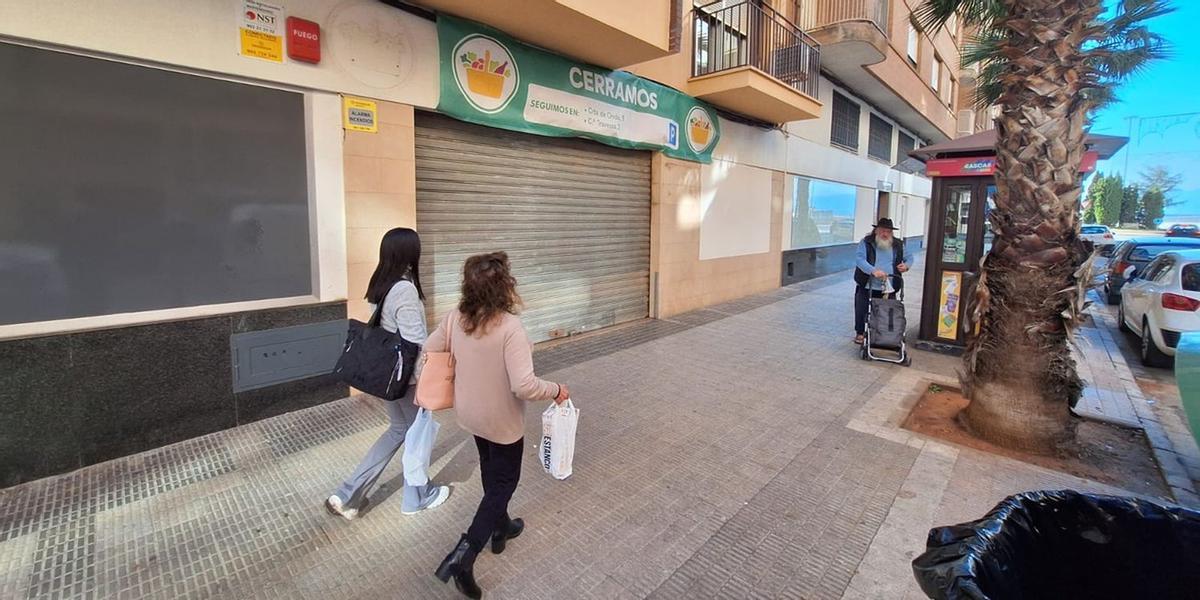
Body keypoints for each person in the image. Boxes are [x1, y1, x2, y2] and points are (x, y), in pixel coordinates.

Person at [428, 252, 569, 599]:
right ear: (504, 285)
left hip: (470, 414)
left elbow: (430, 348)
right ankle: (464, 555)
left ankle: (501, 527)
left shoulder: (456, 317)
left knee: (492, 471)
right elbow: (524, 385)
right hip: (502, 420)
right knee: (504, 482)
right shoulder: (509, 327)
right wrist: (556, 390)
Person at [325, 228, 450, 520]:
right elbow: (414, 340)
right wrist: (424, 379)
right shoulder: (405, 289)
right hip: (407, 379)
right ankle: (418, 496)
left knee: (399, 430)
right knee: (419, 434)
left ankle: (347, 495)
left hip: (386, 375)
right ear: (409, 253)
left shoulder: (380, 282)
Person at [854, 218, 913, 345]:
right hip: (867, 284)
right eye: (882, 231)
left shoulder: (898, 244)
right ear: (876, 230)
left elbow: (909, 257)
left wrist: (906, 265)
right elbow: (860, 259)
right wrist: (873, 270)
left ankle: (885, 334)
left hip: (889, 286)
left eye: (888, 231)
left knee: (888, 311)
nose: (885, 234)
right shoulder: (866, 242)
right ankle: (860, 332)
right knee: (862, 309)